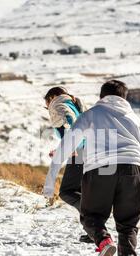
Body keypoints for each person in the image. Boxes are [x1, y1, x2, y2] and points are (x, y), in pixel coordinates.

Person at [43, 80, 140, 256]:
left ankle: (104, 242)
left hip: (99, 169)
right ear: (124, 98)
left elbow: (67, 145)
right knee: (128, 225)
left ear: (101, 97)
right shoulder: (135, 119)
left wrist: (49, 183)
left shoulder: (90, 115)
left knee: (92, 216)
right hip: (132, 169)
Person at [43, 86, 93, 243]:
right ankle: (93, 231)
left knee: (67, 192)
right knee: (80, 191)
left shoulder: (57, 105)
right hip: (88, 149)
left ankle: (94, 221)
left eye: (46, 104)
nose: (47, 108)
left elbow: (69, 122)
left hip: (78, 151)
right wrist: (60, 149)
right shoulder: (75, 104)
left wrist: (70, 146)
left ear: (52, 97)